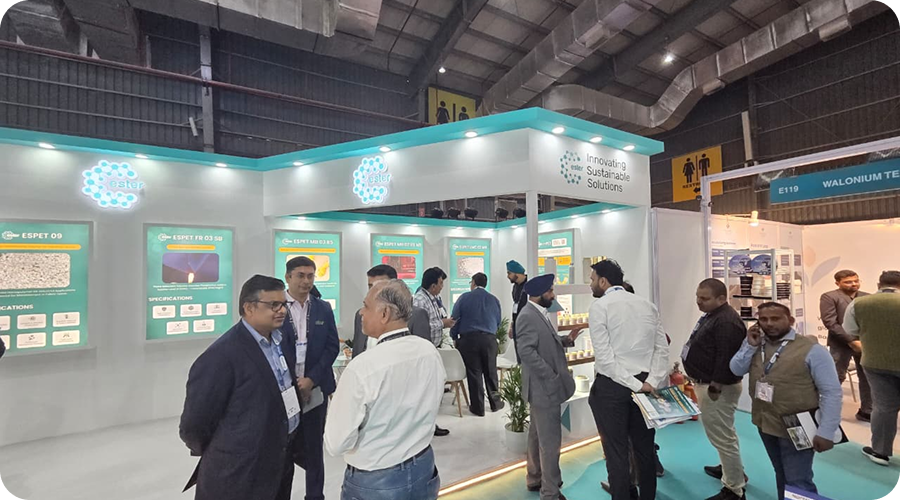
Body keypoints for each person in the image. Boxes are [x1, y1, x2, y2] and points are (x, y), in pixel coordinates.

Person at [179, 275, 300, 500]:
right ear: (249, 308)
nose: (282, 310)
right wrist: (226, 451)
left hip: (278, 461)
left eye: (284, 304)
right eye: (273, 305)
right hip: (238, 472)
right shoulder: (221, 356)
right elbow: (194, 425)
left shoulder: (279, 340)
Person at [325, 279, 445, 500]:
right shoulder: (429, 351)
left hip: (376, 479)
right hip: (423, 466)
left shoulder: (363, 367)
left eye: (366, 306)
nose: (361, 312)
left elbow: (336, 443)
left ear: (384, 314)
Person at [730, 302, 842, 500]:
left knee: (799, 479)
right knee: (781, 472)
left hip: (798, 424)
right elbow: (736, 369)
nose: (769, 324)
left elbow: (831, 392)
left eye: (775, 319)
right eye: (763, 319)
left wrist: (826, 431)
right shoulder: (756, 345)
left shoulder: (812, 350)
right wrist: (749, 345)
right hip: (766, 421)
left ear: (790, 320)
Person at [588, 260, 669, 500]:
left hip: (612, 388)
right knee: (645, 450)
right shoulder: (647, 305)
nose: (591, 284)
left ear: (603, 281)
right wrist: (650, 382)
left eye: (592, 279)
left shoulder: (600, 307)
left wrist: (637, 385)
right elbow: (661, 349)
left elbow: (606, 360)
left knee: (616, 453)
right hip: (645, 385)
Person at [517, 274, 582, 500]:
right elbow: (526, 352)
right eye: (550, 291)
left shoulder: (538, 313)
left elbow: (543, 342)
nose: (553, 295)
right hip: (544, 389)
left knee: (537, 436)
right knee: (550, 443)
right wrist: (551, 376)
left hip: (541, 388)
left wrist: (566, 340)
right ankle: (550, 492)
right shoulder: (527, 316)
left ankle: (535, 478)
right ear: (539, 294)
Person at [684, 279, 749, 500]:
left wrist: (716, 385)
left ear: (721, 299)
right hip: (709, 384)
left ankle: (734, 489)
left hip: (716, 387)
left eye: (704, 298)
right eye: (697, 296)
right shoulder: (713, 315)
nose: (698, 302)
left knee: (722, 437)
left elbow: (725, 357)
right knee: (724, 433)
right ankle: (732, 470)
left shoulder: (726, 322)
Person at [281, 257, 339, 500]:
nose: (306, 281)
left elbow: (332, 347)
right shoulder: (276, 307)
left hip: (315, 389)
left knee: (314, 449)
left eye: (310, 276)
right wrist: (292, 383)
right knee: (283, 450)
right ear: (288, 277)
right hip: (283, 390)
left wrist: (311, 379)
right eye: (300, 275)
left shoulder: (322, 308)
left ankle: (315, 496)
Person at [843, 270, 900, 466]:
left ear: (878, 285)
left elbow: (850, 330)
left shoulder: (859, 304)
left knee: (883, 407)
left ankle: (880, 452)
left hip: (875, 362)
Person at [820, 270, 871, 421]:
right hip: (840, 342)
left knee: (867, 377)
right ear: (837, 283)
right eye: (848, 282)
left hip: (865, 342)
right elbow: (830, 322)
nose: (853, 284)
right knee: (836, 376)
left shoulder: (867, 297)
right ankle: (825, 410)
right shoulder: (829, 297)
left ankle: (867, 411)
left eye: (856, 280)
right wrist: (850, 340)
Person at [450, 272, 504, 416]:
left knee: (474, 374)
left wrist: (454, 336)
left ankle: (478, 408)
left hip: (469, 340)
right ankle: (495, 403)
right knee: (491, 372)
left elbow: (455, 319)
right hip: (489, 340)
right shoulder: (494, 300)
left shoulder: (464, 298)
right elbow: (498, 321)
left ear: (473, 283)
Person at [351, 264, 430, 358]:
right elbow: (357, 351)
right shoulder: (361, 315)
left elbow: (423, 355)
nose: (373, 291)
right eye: (370, 286)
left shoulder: (416, 316)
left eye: (378, 286)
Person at [507, 259, 529, 346]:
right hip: (517, 325)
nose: (508, 276)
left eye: (509, 273)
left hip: (527, 325)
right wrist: (512, 325)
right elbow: (515, 306)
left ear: (516, 273)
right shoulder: (515, 287)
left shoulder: (529, 284)